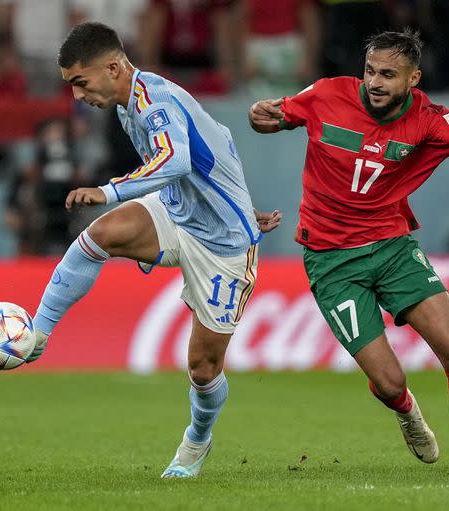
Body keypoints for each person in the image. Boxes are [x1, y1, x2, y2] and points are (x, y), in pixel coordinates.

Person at [248, 29, 449, 473]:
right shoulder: (326, 94)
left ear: (413, 79)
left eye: (388, 74)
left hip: (392, 248)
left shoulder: (428, 118)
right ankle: (406, 411)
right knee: (389, 382)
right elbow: (271, 118)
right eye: (370, 71)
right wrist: (259, 116)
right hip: (330, 261)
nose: (375, 82)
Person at [28, 22, 281, 478]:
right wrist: (240, 201)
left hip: (223, 247)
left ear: (112, 67)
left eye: (80, 83)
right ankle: (37, 333)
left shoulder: (154, 103)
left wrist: (107, 191)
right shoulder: (129, 104)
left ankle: (197, 440)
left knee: (203, 369)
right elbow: (218, 140)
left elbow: (177, 160)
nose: (77, 96)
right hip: (175, 213)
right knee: (99, 237)